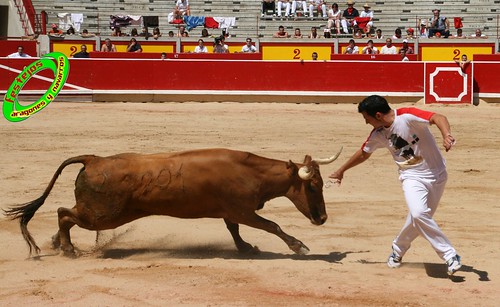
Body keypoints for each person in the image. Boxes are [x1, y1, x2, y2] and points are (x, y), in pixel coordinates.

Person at [329, 95, 462, 276]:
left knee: (419, 218)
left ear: (377, 115)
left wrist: (447, 135)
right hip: (411, 176)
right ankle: (449, 255)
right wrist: (341, 170)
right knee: (419, 213)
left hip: (438, 174)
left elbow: (438, 117)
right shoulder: (378, 134)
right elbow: (363, 153)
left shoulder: (407, 116)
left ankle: (397, 250)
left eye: (366, 119)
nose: (366, 123)